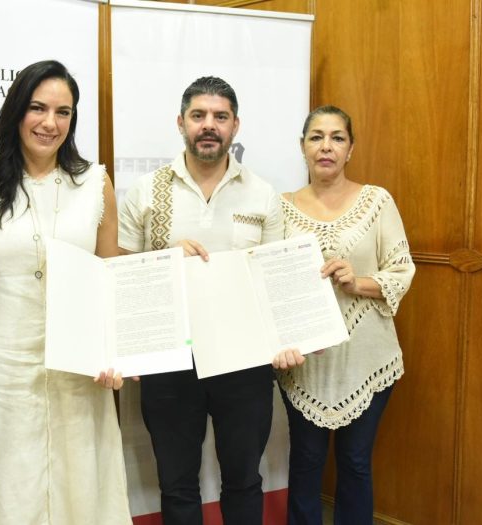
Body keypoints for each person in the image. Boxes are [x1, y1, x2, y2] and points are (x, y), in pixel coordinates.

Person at [118, 76, 304, 525]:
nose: (209, 125)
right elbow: (122, 276)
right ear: (180, 122)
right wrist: (165, 260)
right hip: (170, 359)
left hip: (244, 360)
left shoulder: (262, 194)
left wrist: (288, 339)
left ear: (235, 126)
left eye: (220, 117)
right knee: (176, 484)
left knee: (243, 480)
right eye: (198, 115)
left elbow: (275, 280)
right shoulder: (145, 191)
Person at [0, 59, 132, 525]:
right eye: (38, 108)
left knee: (82, 491)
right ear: (17, 110)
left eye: (63, 112)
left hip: (79, 372)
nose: (50, 123)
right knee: (13, 493)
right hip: (3, 371)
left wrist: (117, 352)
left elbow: (109, 272)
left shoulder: (94, 182)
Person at [276, 105, 415, 525]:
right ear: (302, 147)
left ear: (350, 149)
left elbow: (402, 270)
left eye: (337, 138)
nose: (326, 146)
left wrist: (357, 282)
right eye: (316, 137)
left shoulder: (377, 201)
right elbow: (270, 281)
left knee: (355, 461)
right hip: (305, 362)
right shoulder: (281, 207)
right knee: (305, 460)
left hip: (366, 356)